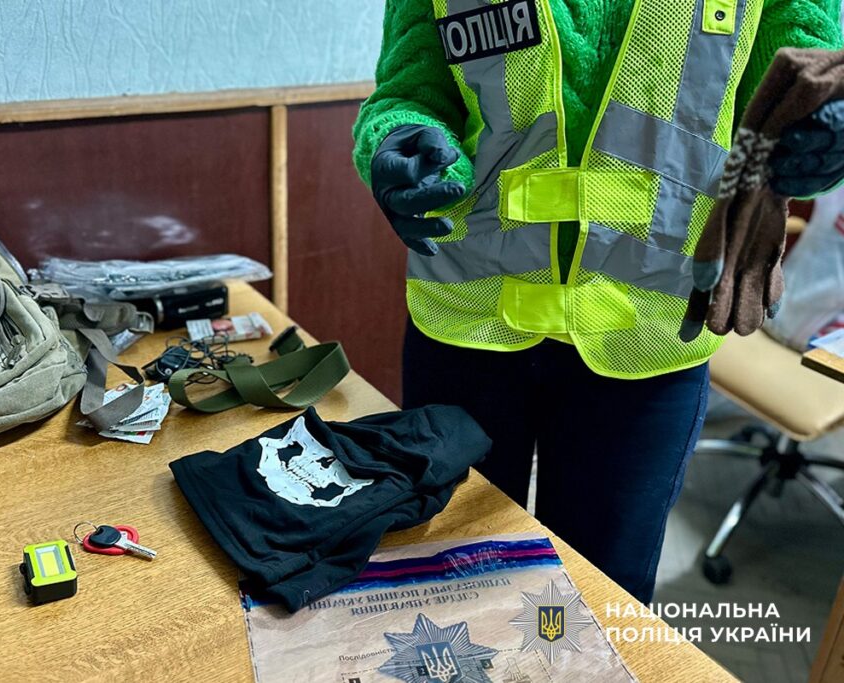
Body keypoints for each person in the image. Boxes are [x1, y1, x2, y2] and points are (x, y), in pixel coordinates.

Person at [353, 0, 844, 603]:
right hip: (468, 321)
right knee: (449, 580)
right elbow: (409, 90)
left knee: (605, 602)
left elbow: (798, 97)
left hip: (648, 339)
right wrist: (397, 139)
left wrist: (820, 140)